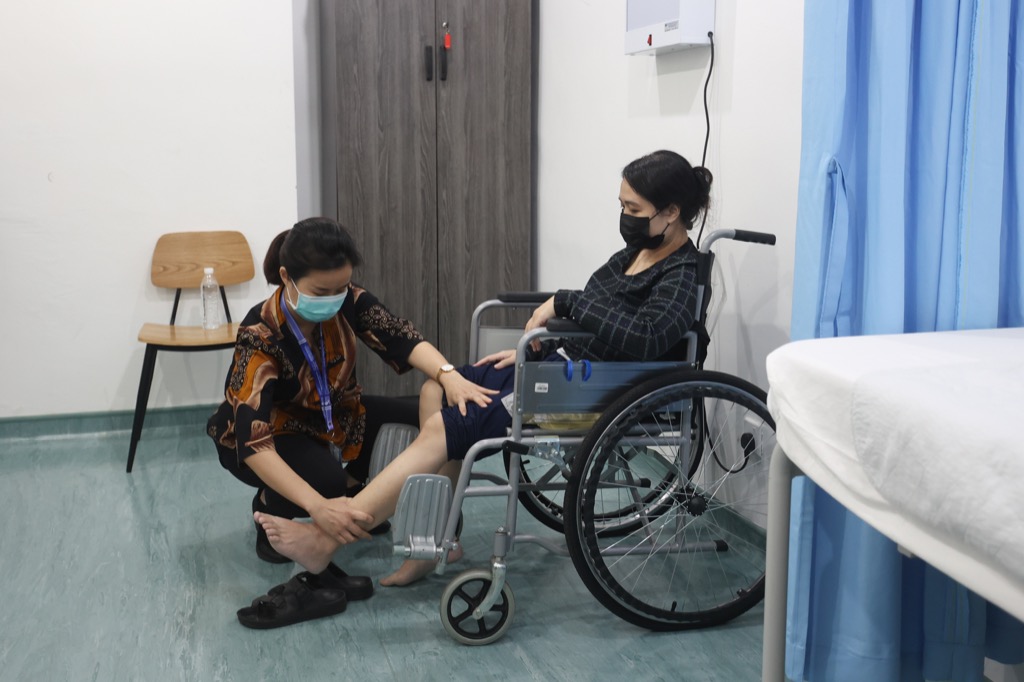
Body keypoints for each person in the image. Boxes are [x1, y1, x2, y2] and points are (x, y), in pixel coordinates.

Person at [254, 149, 713, 611]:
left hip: (594, 390)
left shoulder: (680, 272)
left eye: (633, 208)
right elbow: (597, 320)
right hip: (563, 367)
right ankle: (440, 536)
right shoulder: (634, 254)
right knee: (437, 388)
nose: (625, 216)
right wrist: (540, 345)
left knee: (448, 424)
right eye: (622, 205)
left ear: (671, 212)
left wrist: (563, 302)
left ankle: (328, 541)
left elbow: (647, 337)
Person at [208, 218, 496, 627]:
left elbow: (401, 337)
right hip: (271, 432)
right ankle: (271, 506)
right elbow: (253, 441)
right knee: (323, 486)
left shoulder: (348, 300)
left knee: (445, 423)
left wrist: (449, 375)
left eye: (341, 288)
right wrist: (317, 506)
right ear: (287, 278)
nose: (333, 300)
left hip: (336, 418)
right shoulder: (259, 334)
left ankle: (394, 516)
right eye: (321, 292)